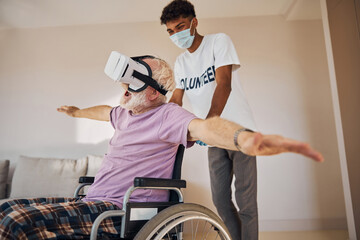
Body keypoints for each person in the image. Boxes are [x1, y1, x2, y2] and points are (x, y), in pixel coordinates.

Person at [0, 56, 323, 239]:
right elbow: (102, 111)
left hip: (119, 211)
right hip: (94, 201)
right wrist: (76, 112)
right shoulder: (125, 114)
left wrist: (244, 138)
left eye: (130, 87)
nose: (123, 93)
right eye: (123, 87)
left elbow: (204, 127)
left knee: (14, 224)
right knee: (4, 208)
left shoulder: (168, 115)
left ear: (153, 92)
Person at [160, 1, 261, 239]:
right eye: (171, 31)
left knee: (246, 202)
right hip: (213, 139)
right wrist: (161, 121)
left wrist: (208, 123)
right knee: (220, 201)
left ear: (194, 23)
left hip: (240, 133)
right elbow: (177, 98)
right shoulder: (181, 62)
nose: (176, 35)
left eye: (181, 27)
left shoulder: (218, 41)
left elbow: (223, 84)